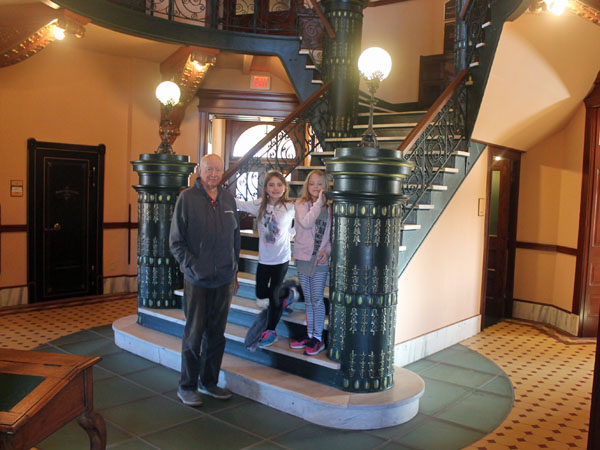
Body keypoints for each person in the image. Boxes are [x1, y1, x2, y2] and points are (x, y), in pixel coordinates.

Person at [169, 154, 240, 406]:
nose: (214, 174)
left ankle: (209, 382)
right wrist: (193, 267)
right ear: (200, 170)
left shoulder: (228, 199)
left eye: (218, 170)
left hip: (224, 279)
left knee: (217, 335)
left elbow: (235, 239)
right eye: (209, 169)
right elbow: (176, 242)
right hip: (197, 280)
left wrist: (234, 272)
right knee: (194, 334)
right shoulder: (187, 199)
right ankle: (187, 386)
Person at [236, 170, 295, 348]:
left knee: (273, 296)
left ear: (284, 187)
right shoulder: (259, 205)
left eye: (279, 184)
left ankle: (271, 331)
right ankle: (287, 294)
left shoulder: (290, 207)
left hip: (281, 258)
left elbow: (302, 224)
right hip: (264, 259)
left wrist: (291, 234)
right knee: (261, 293)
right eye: (271, 185)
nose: (275, 188)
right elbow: (238, 203)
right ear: (266, 188)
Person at [290, 170, 331, 356]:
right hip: (303, 257)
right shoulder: (301, 204)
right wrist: (318, 203)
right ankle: (310, 334)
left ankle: (318, 338)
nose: (316, 187)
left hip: (319, 260)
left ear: (325, 187)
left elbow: (332, 235)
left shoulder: (330, 208)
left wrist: (327, 251)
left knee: (316, 299)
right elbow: (306, 223)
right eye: (312, 183)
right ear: (307, 186)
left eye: (320, 184)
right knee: (308, 300)